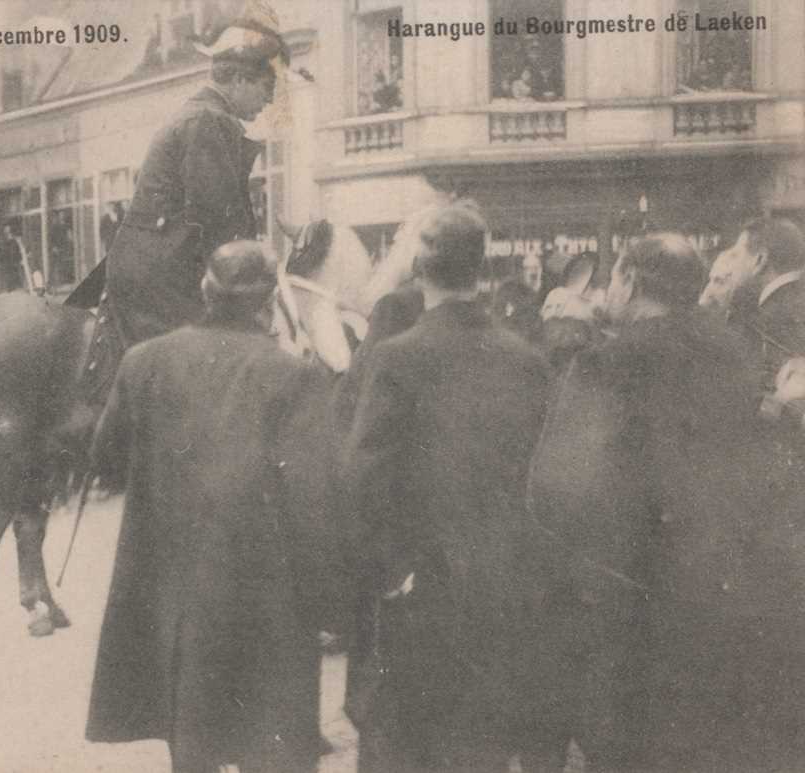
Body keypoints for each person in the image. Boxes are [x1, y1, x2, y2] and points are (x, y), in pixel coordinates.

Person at [528, 233, 803, 771]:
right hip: (725, 602)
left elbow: (558, 489)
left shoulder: (607, 361)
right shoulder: (735, 351)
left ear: (629, 282)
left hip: (631, 611)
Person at [86, 241, 339, 773]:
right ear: (269, 300)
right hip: (269, 604)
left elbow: (105, 460)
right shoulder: (297, 376)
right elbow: (314, 502)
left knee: (194, 751)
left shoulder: (144, 362)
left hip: (175, 597)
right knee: (273, 751)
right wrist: (328, 602)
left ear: (205, 290)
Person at [341, 202, 552, 772]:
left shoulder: (395, 358)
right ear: (480, 268)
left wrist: (383, 576)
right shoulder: (527, 360)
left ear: (418, 265)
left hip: (417, 594)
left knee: (402, 747)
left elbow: (362, 481)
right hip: (501, 591)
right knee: (479, 748)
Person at [89, 20, 286, 349]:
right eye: (265, 89)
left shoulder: (200, 116)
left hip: (153, 266)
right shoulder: (208, 121)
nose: (267, 101)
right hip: (163, 276)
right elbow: (219, 221)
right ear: (238, 80)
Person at [703, 217, 805, 388]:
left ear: (759, 260)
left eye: (736, 255)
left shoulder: (767, 319)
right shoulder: (796, 303)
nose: (731, 265)